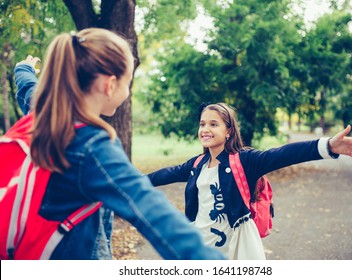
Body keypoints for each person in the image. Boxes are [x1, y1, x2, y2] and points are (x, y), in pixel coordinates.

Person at [12, 28, 226, 260]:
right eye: (128, 82)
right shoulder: (92, 146)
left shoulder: (46, 115)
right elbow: (152, 212)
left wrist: (23, 69)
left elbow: (28, 90)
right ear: (110, 85)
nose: (127, 90)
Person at [147, 102, 352, 260]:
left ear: (228, 131)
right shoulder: (197, 165)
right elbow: (165, 174)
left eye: (213, 124)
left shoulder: (244, 160)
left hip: (233, 251)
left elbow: (283, 154)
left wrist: (326, 146)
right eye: (202, 124)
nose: (205, 129)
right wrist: (125, 183)